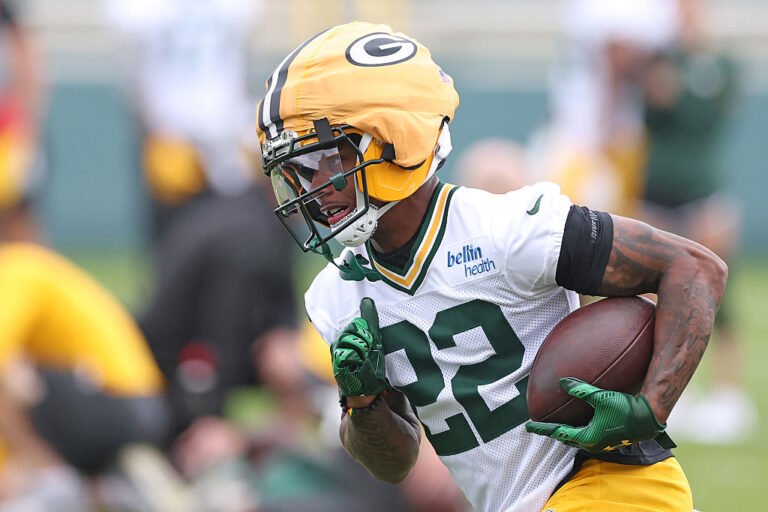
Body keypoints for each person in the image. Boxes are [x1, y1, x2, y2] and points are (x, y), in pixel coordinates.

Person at [255, 22, 728, 512]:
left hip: (612, 488)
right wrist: (362, 402)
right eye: (296, 170)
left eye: (325, 158)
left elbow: (694, 268)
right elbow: (394, 463)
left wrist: (651, 407)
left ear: (394, 137)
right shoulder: (337, 294)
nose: (310, 185)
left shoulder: (509, 230)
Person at [638, 0, 756, 443]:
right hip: (656, 193)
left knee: (716, 292)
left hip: (702, 193)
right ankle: (668, 392)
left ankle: (728, 394)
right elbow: (649, 117)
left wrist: (679, 94)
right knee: (653, 296)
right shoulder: (657, 61)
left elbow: (708, 118)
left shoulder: (720, 66)